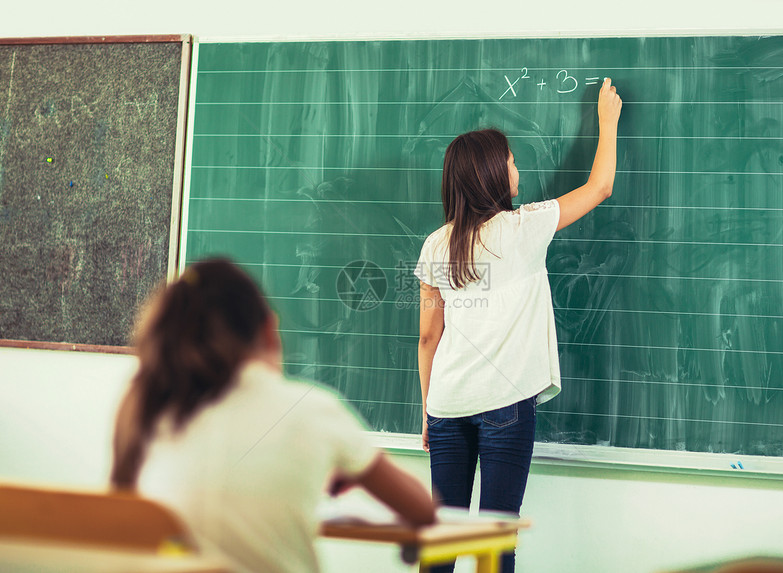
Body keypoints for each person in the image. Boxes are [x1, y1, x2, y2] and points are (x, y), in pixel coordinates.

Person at [111, 258, 436, 573]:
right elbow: (421, 509)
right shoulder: (314, 410)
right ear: (269, 329)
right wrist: (356, 467)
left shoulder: (144, 408)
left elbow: (123, 513)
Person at [416, 78, 622, 572]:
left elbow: (428, 337)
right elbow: (600, 187)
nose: (517, 168)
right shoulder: (525, 227)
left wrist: (427, 409)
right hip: (504, 407)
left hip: (446, 404)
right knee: (495, 542)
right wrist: (608, 122)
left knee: (442, 541)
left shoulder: (434, 246)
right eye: (510, 161)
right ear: (491, 174)